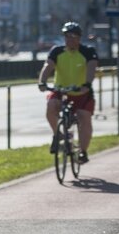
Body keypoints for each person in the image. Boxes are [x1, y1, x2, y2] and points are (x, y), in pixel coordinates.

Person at [38, 21, 98, 164]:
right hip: (61, 90)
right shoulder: (57, 51)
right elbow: (48, 66)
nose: (70, 39)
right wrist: (42, 82)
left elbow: (91, 68)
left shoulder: (88, 51)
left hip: (81, 93)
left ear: (79, 37)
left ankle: (83, 151)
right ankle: (58, 135)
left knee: (84, 118)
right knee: (51, 106)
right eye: (67, 36)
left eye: (73, 36)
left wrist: (87, 84)